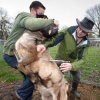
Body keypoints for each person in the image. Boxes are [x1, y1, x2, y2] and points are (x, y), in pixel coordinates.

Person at [2, 1, 59, 100]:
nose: (40, 18)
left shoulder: (33, 29)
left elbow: (41, 39)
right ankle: (19, 95)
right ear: (32, 10)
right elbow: (31, 23)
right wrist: (52, 21)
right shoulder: (24, 17)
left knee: (29, 79)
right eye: (40, 14)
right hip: (11, 55)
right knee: (34, 75)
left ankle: (24, 97)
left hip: (20, 54)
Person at [46, 17, 94, 99]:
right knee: (57, 78)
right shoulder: (67, 31)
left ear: (87, 33)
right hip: (60, 60)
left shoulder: (86, 43)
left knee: (77, 77)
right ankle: (54, 93)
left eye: (83, 31)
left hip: (72, 63)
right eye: (79, 29)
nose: (80, 32)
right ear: (78, 25)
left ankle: (74, 90)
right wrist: (43, 45)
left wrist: (72, 66)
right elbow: (53, 41)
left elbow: (83, 59)